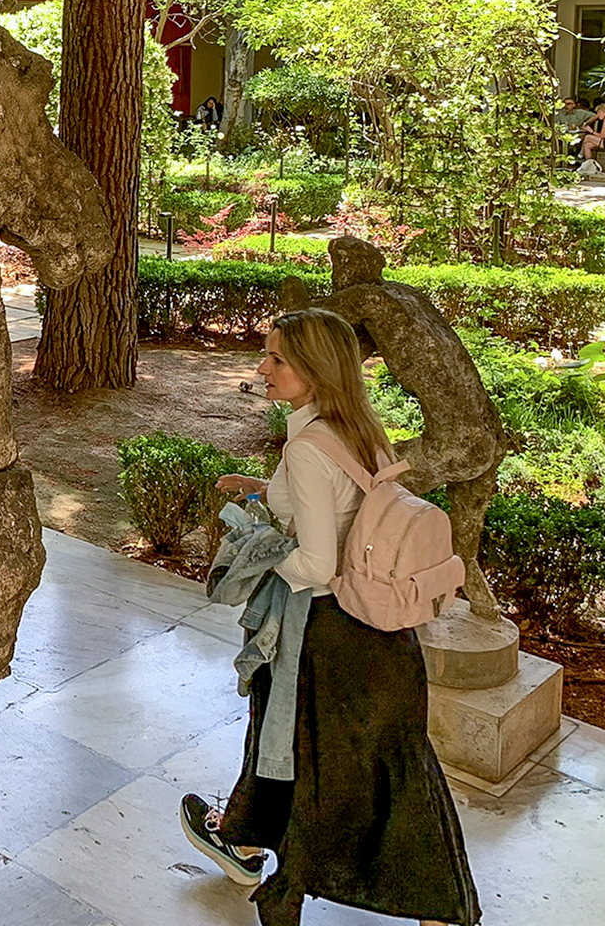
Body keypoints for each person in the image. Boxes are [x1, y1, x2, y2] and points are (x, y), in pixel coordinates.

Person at [182, 307, 480, 926]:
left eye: (277, 359)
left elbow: (318, 562)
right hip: (383, 636)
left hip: (331, 632)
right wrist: (261, 487)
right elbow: (339, 507)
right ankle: (246, 841)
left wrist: (260, 567)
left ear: (314, 370)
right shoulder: (357, 428)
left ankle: (281, 881)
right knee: (390, 765)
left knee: (308, 759)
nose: (262, 368)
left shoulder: (308, 446)